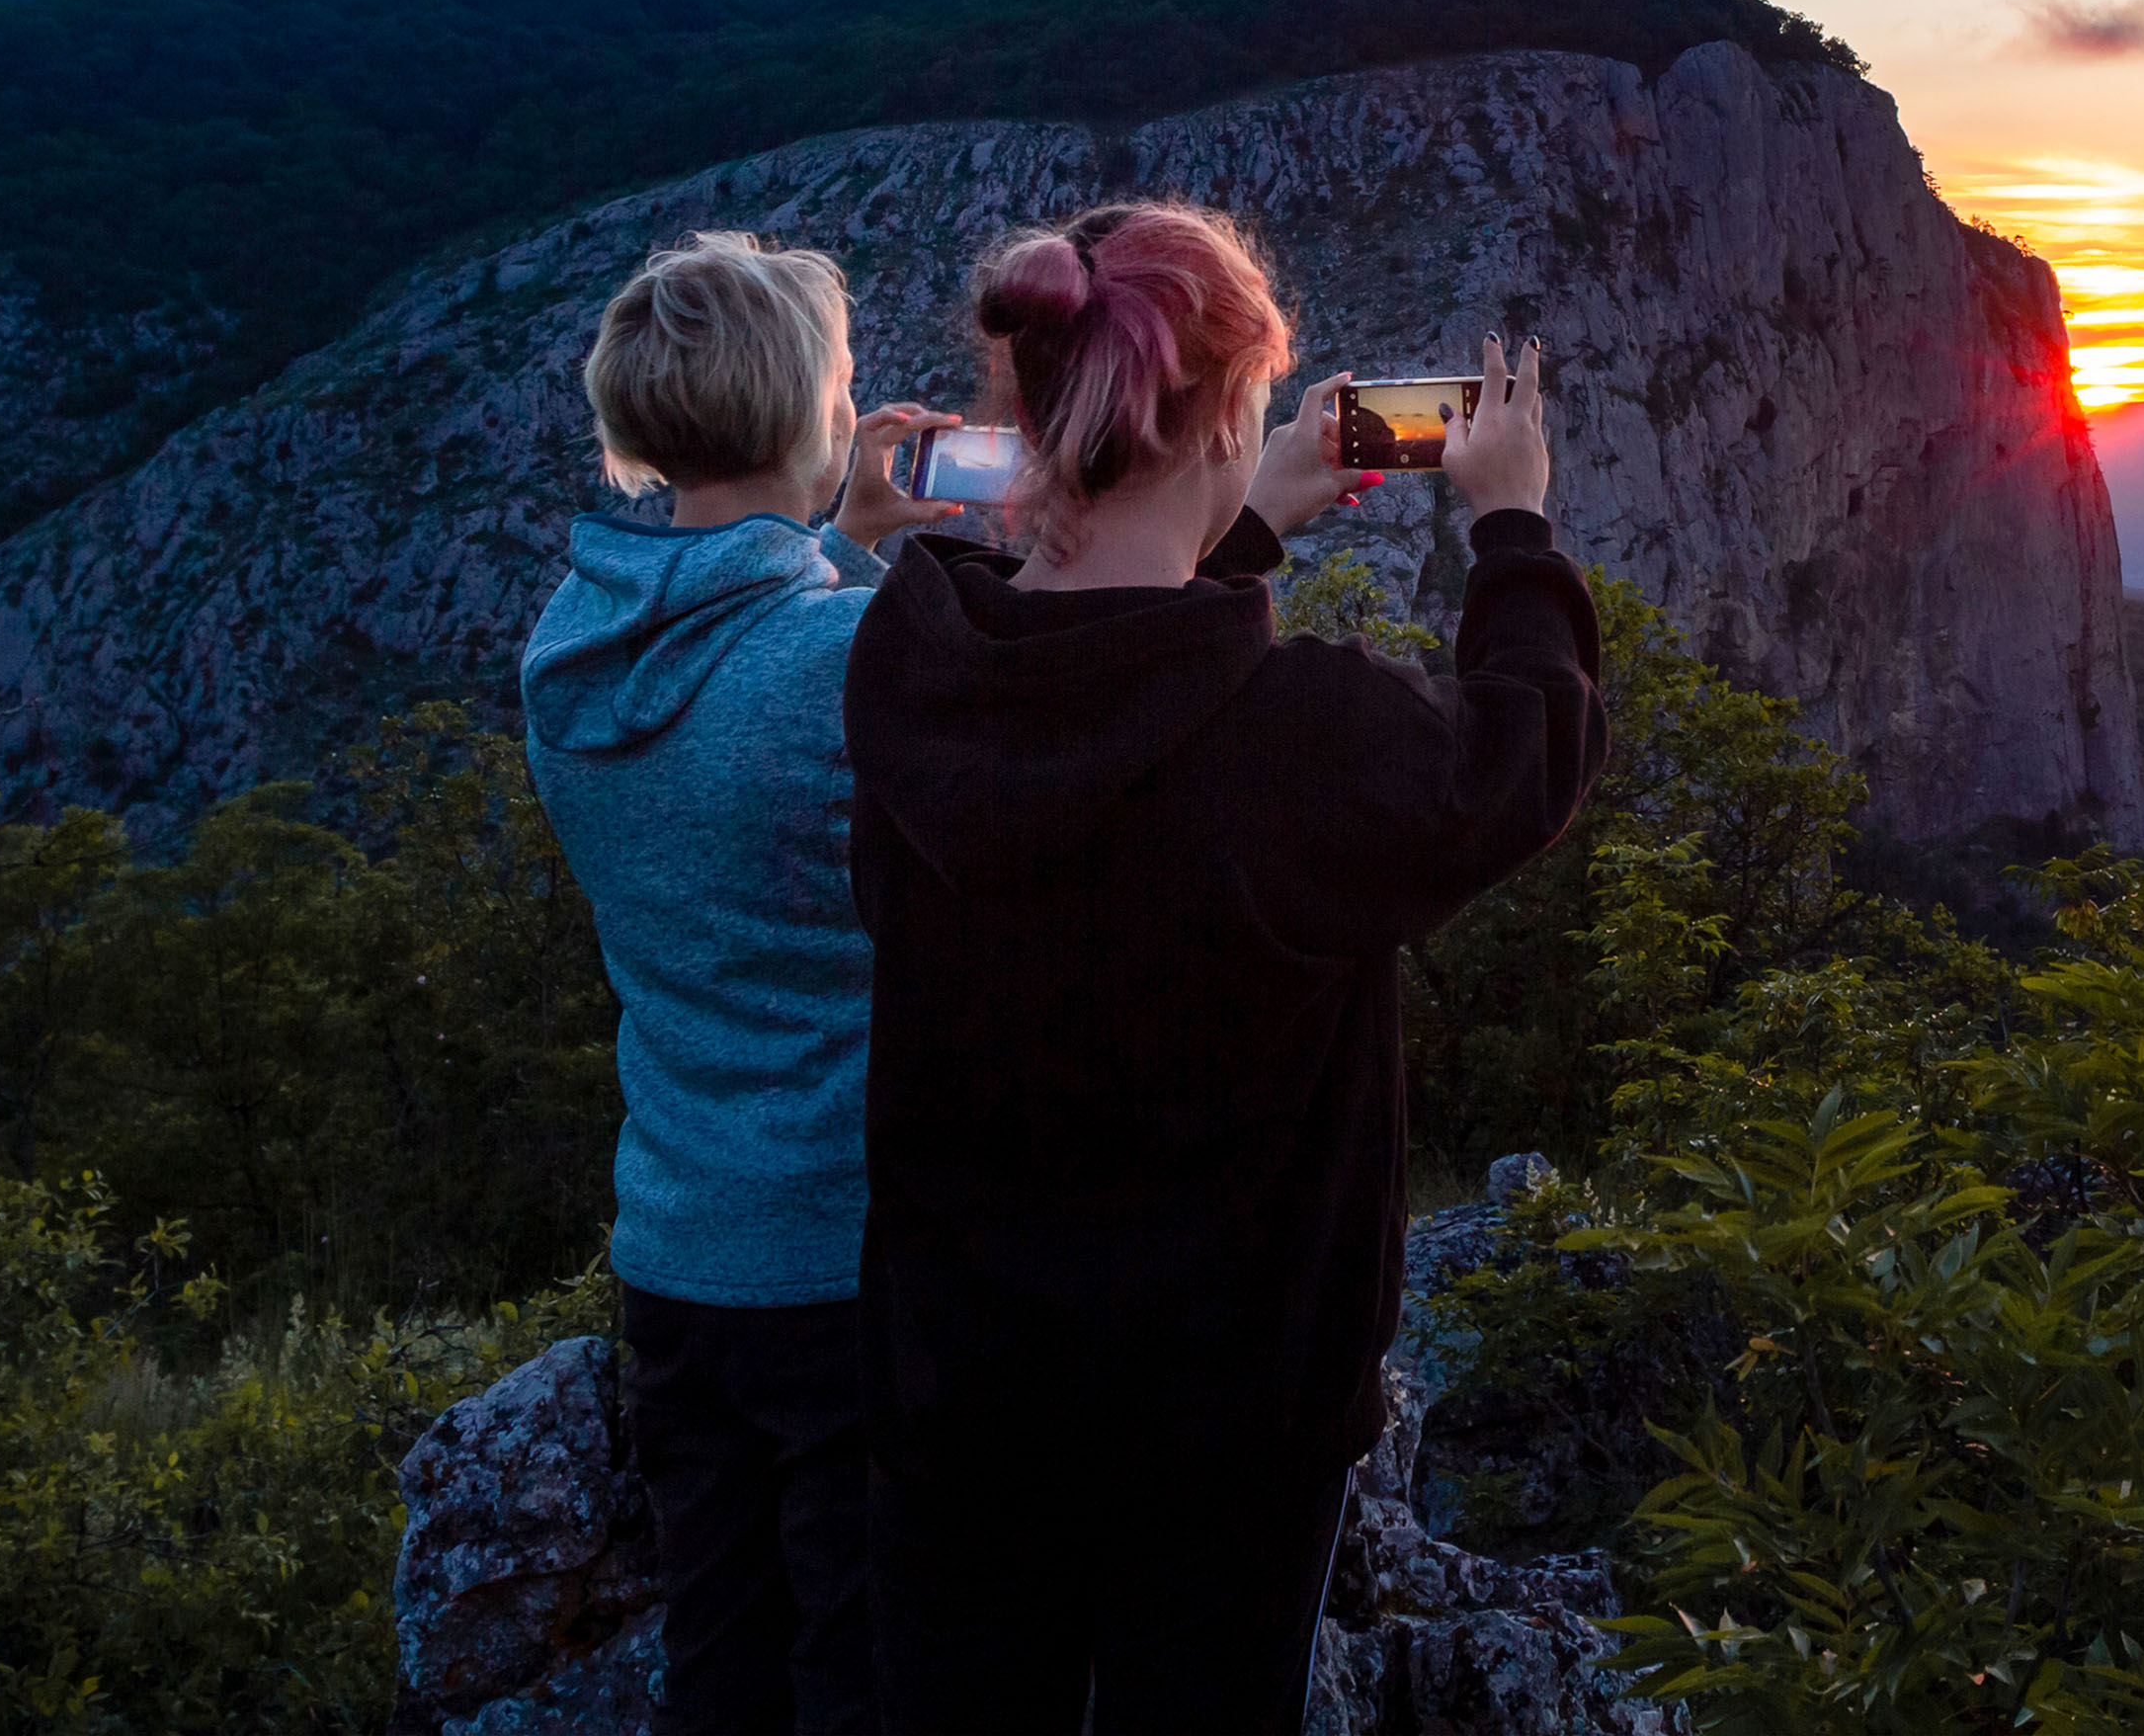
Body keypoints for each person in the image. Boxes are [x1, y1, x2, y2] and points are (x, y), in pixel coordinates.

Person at [844, 203, 1605, 1734]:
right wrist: (1512, 530)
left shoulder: (911, 666)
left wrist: (1241, 516)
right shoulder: (1304, 747)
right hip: (1228, 1412)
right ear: (1222, 418)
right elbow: (1526, 749)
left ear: (1034, 414)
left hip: (965, 1376)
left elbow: (1086, 664)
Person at [518, 230, 960, 1736]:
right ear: (807, 419)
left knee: (721, 1657)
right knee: (861, 1663)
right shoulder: (848, 657)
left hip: (678, 1250)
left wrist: (846, 549)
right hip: (839, 1257)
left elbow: (728, 682)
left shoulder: (567, 652)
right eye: (839, 380)